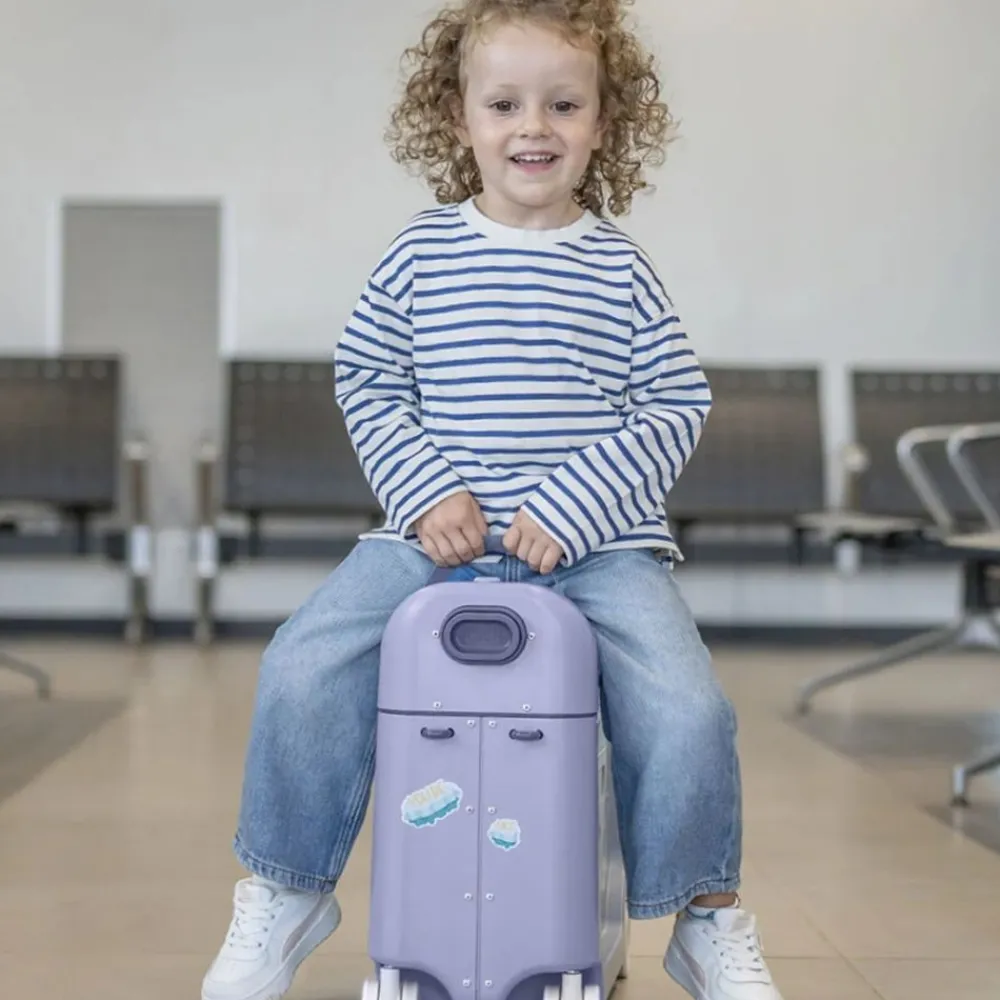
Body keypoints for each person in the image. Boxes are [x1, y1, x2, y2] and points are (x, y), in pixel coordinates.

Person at [202, 1, 784, 998]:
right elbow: (369, 381)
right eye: (505, 104)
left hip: (599, 551)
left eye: (563, 104)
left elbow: (675, 403)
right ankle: (286, 888)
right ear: (458, 116)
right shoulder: (420, 252)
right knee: (302, 664)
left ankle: (705, 915)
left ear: (603, 122)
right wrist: (426, 489)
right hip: (431, 540)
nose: (533, 127)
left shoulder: (619, 267)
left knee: (688, 708)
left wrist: (577, 508)